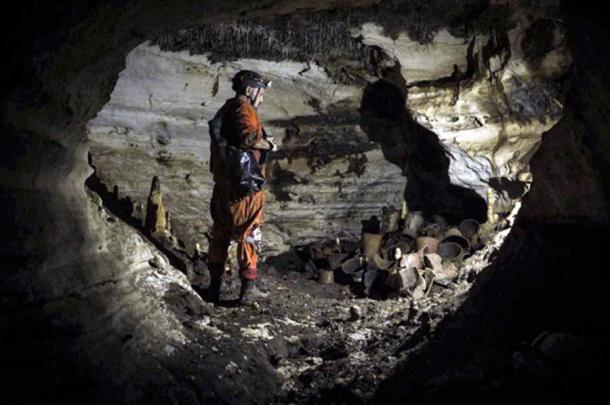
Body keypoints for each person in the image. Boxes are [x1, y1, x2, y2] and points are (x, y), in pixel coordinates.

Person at [206, 70, 276, 304]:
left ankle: (214, 287)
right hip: (244, 186)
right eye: (261, 92)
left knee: (221, 232)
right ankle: (248, 290)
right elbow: (248, 138)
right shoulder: (243, 109)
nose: (262, 98)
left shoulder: (226, 108)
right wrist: (269, 144)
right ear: (250, 90)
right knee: (249, 232)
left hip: (226, 183)